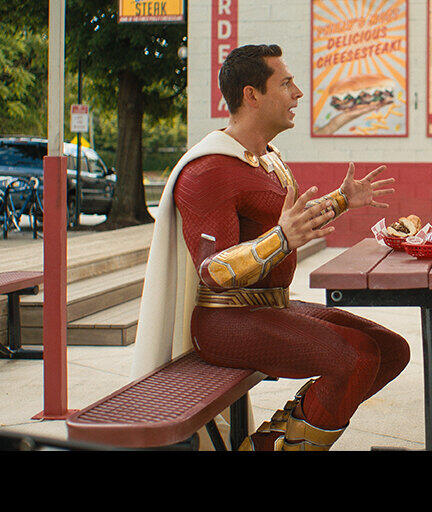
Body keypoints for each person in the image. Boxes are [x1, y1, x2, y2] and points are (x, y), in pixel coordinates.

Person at [131, 44, 410, 451]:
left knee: (391, 350)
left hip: (272, 305)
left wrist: (341, 200)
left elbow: (285, 223)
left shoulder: (267, 158)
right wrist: (280, 240)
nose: (298, 93)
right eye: (286, 83)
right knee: (357, 357)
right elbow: (212, 270)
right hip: (226, 321)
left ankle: (276, 438)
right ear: (252, 95)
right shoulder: (208, 168)